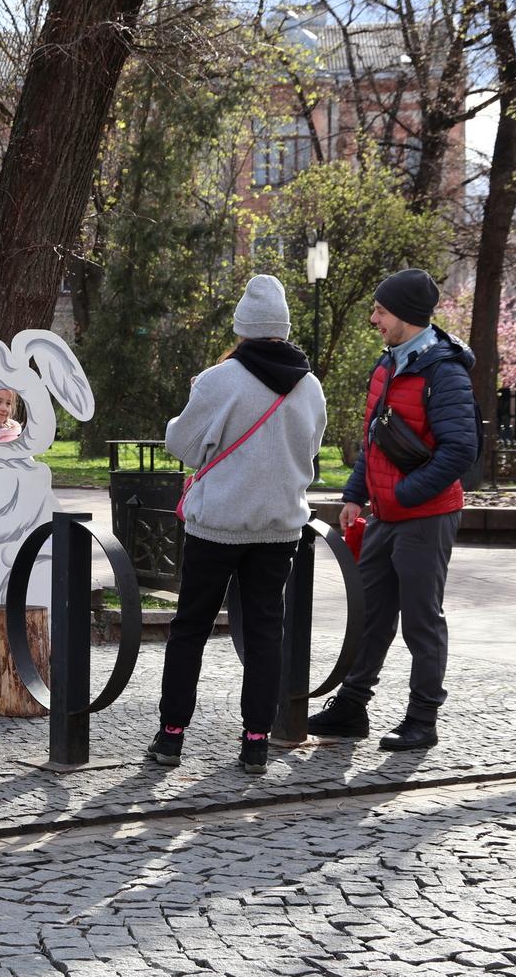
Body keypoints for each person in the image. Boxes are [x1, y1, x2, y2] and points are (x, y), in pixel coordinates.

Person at [146, 274, 327, 775]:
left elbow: (182, 445)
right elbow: (309, 450)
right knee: (267, 631)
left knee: (191, 628)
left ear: (242, 326)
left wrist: (193, 401)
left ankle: (171, 736)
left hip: (218, 525)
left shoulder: (219, 378)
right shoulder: (309, 386)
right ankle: (254, 742)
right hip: (278, 527)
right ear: (284, 327)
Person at [307, 268, 479, 752]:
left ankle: (422, 720)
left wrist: (404, 495)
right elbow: (373, 440)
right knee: (371, 615)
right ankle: (351, 710)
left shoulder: (443, 371)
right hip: (383, 514)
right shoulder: (387, 366)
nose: (373, 318)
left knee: (421, 621)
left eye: (380, 310)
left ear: (404, 313)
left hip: (426, 517)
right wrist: (355, 495)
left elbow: (460, 450)